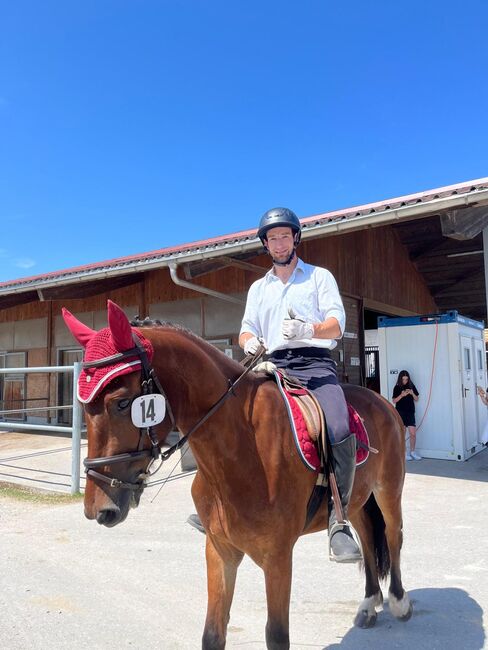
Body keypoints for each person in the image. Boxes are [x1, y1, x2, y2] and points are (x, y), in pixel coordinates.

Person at [188, 207, 362, 563]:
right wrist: (249, 341)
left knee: (339, 426)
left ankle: (338, 519)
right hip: (270, 365)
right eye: (272, 238)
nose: (279, 243)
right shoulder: (258, 288)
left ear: (295, 239)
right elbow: (246, 328)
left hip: (313, 364)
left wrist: (308, 330)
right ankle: (220, 506)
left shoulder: (318, 278)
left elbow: (336, 325)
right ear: (265, 244)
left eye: (285, 236)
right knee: (224, 418)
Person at [392, 370, 420, 460]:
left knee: (413, 434)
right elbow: (394, 401)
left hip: (410, 412)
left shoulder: (412, 386)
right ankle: (404, 453)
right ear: (400, 379)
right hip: (400, 413)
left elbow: (417, 399)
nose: (405, 381)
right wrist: (402, 395)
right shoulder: (397, 387)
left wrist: (412, 393)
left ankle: (412, 452)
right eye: (403, 379)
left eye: (406, 379)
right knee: (402, 433)